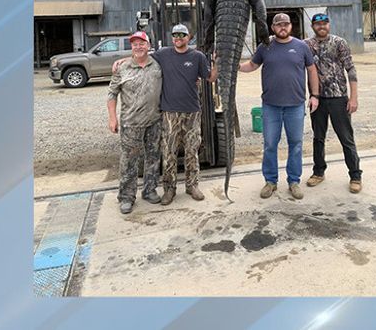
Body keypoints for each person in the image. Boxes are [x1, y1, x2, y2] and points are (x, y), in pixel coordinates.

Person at [114, 23, 218, 205]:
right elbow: (141, 56)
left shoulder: (198, 56)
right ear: (172, 38)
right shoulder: (163, 54)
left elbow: (210, 78)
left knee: (192, 150)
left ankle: (192, 185)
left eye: (182, 35)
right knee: (168, 152)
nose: (178, 38)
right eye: (175, 35)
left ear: (189, 37)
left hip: (192, 112)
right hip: (170, 113)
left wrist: (218, 63)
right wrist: (124, 60)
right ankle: (169, 189)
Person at [239, 13, 320, 200]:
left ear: (290, 26)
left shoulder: (301, 47)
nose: (282, 27)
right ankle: (270, 181)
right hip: (271, 106)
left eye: (286, 24)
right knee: (269, 145)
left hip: (295, 106)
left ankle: (294, 181)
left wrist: (314, 95)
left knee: (296, 144)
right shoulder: (265, 46)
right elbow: (252, 65)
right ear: (273, 27)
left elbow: (312, 70)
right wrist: (235, 65)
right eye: (278, 25)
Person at [303, 13, 362, 193]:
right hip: (317, 99)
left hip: (338, 98)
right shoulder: (306, 45)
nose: (321, 26)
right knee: (318, 138)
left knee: (346, 138)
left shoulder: (339, 43)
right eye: (317, 24)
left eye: (324, 23)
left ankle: (355, 176)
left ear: (329, 24)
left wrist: (353, 98)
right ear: (312, 26)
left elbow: (350, 69)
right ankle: (318, 172)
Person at [107, 31, 163, 214]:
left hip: (154, 120)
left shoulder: (157, 64)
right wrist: (112, 118)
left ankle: (149, 190)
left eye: (142, 43)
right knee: (129, 161)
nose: (138, 47)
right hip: (131, 123)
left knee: (153, 158)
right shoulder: (122, 68)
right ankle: (126, 197)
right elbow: (112, 94)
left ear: (148, 45)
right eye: (134, 44)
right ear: (131, 47)